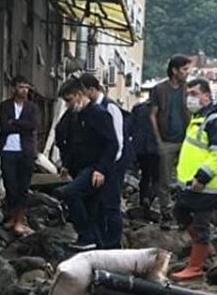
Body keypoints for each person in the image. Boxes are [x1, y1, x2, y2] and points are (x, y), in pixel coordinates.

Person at [170, 78, 217, 281]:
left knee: (201, 225)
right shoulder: (197, 119)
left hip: (206, 186)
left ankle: (195, 267)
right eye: (188, 94)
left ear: (206, 96)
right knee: (179, 212)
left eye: (194, 94)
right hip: (190, 184)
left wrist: (202, 177)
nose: (190, 98)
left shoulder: (215, 121)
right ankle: (203, 248)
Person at [54, 76, 118, 251]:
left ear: (79, 94)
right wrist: (66, 164)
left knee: (70, 193)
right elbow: (74, 143)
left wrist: (101, 169)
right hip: (82, 167)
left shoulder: (99, 114)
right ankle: (96, 244)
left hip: (94, 167)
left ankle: (87, 236)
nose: (68, 104)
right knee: (91, 208)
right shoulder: (76, 116)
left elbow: (112, 143)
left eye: (69, 100)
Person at [81, 73, 126, 248]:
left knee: (111, 205)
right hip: (98, 164)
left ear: (91, 90)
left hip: (112, 164)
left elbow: (117, 141)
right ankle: (100, 241)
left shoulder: (110, 107)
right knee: (96, 205)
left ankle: (114, 243)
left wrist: (107, 167)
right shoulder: (90, 110)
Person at [150, 54, 191, 228]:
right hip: (166, 140)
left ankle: (183, 214)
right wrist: (158, 139)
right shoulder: (159, 89)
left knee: (185, 180)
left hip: (186, 140)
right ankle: (166, 214)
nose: (187, 72)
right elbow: (153, 114)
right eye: (184, 69)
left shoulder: (188, 89)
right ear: (175, 70)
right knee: (165, 181)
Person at [0, 75, 39, 236]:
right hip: (8, 150)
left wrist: (14, 122)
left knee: (23, 186)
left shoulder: (32, 107)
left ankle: (20, 220)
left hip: (26, 151)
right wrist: (20, 125)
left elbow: (32, 126)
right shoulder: (5, 106)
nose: (24, 90)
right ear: (14, 88)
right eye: (21, 87)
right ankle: (12, 216)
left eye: (26, 87)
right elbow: (4, 126)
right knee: (10, 184)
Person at [130, 98, 159, 220]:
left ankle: (143, 200)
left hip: (140, 148)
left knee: (145, 175)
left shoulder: (138, 108)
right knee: (157, 177)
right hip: (156, 147)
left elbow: (130, 126)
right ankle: (150, 198)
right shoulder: (161, 109)